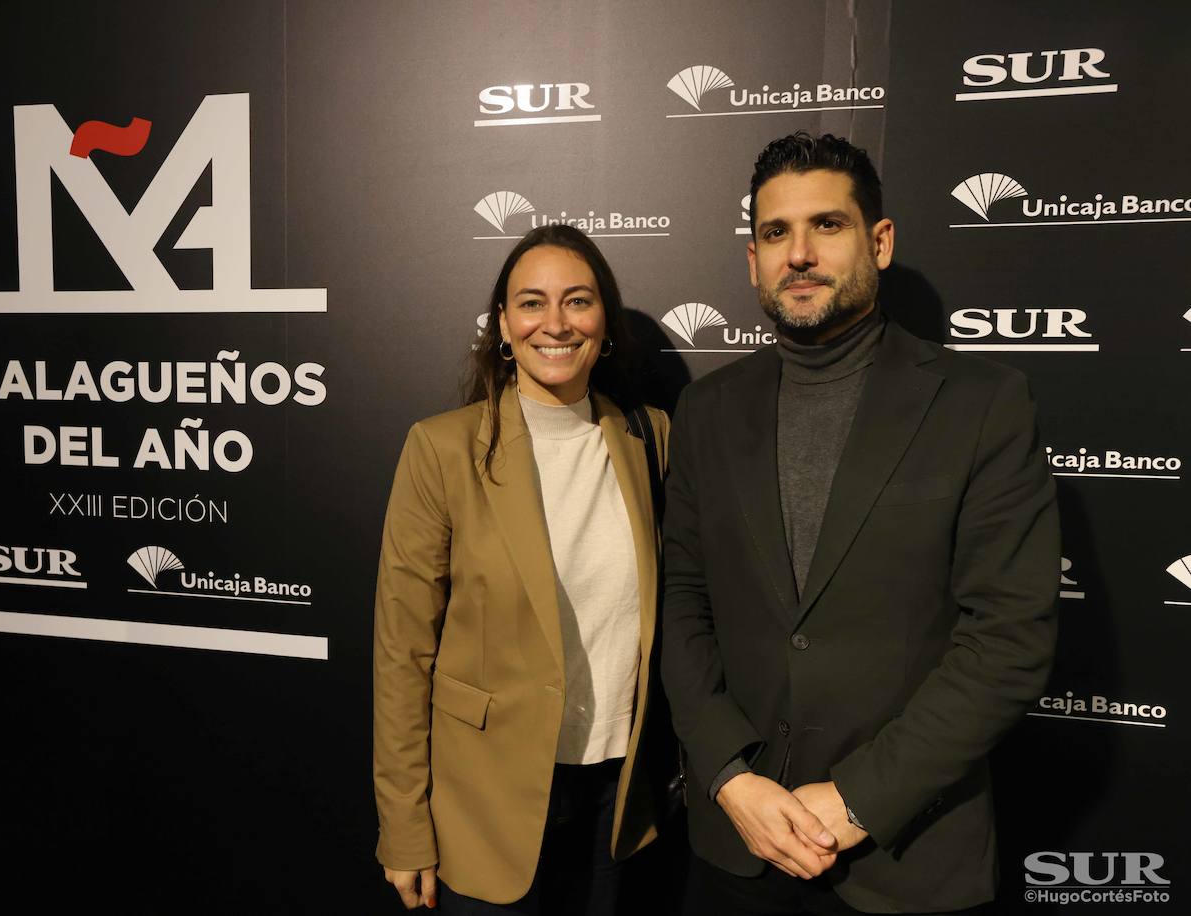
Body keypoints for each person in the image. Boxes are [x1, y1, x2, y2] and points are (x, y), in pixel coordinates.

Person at [661, 132, 1059, 915]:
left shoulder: (984, 403)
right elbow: (682, 602)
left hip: (905, 857)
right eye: (776, 233)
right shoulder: (706, 409)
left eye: (827, 225)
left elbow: (1009, 638)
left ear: (878, 241)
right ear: (752, 258)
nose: (799, 253)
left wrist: (860, 799)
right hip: (737, 847)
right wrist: (728, 776)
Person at [373, 224, 674, 914]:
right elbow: (402, 654)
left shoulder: (649, 437)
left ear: (604, 321)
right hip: (483, 803)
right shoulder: (442, 449)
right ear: (503, 326)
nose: (556, 323)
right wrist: (404, 826)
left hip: (616, 795)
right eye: (532, 303)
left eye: (578, 301)